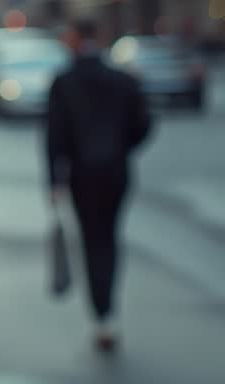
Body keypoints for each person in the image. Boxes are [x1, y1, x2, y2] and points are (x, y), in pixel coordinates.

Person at [46, 18, 152, 353]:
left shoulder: (64, 82)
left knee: (93, 241)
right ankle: (108, 311)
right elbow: (143, 125)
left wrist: (54, 180)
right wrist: (121, 148)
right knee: (109, 238)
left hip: (82, 174)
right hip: (116, 172)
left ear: (75, 40)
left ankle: (102, 314)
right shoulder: (122, 80)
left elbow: (54, 137)